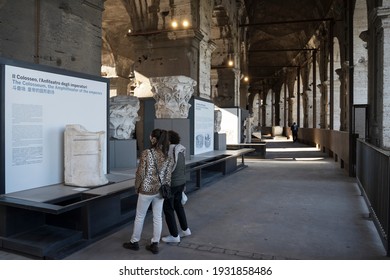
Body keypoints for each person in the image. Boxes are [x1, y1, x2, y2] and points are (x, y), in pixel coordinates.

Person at [123, 128, 172, 254]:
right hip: (160, 190)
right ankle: (155, 243)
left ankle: (134, 242)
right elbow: (167, 176)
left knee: (140, 216)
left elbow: (140, 173)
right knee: (158, 217)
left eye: (151, 136)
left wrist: (136, 186)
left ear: (153, 139)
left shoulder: (147, 153)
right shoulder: (167, 155)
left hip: (146, 190)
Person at [161, 130, 191, 243]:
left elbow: (167, 169)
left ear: (168, 140)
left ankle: (174, 235)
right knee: (178, 206)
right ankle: (185, 229)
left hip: (172, 184)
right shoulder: (181, 149)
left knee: (168, 208)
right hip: (181, 183)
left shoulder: (170, 151)